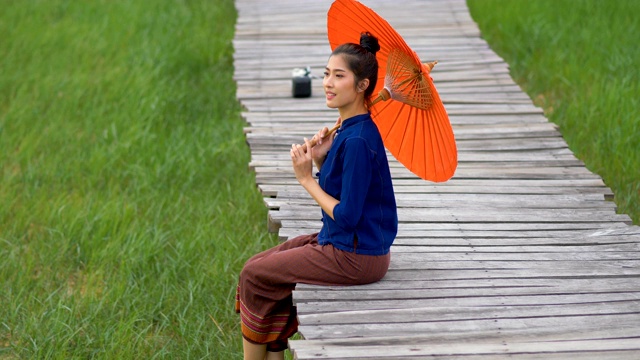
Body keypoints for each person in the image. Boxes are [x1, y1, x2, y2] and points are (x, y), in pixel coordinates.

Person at [236, 32, 398, 360]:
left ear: (363, 86)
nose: (328, 82)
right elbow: (346, 190)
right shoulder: (350, 130)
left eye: (339, 76)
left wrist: (306, 179)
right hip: (345, 243)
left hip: (356, 256)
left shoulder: (357, 140)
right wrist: (323, 159)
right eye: (326, 73)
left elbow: (349, 215)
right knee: (258, 266)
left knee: (253, 277)